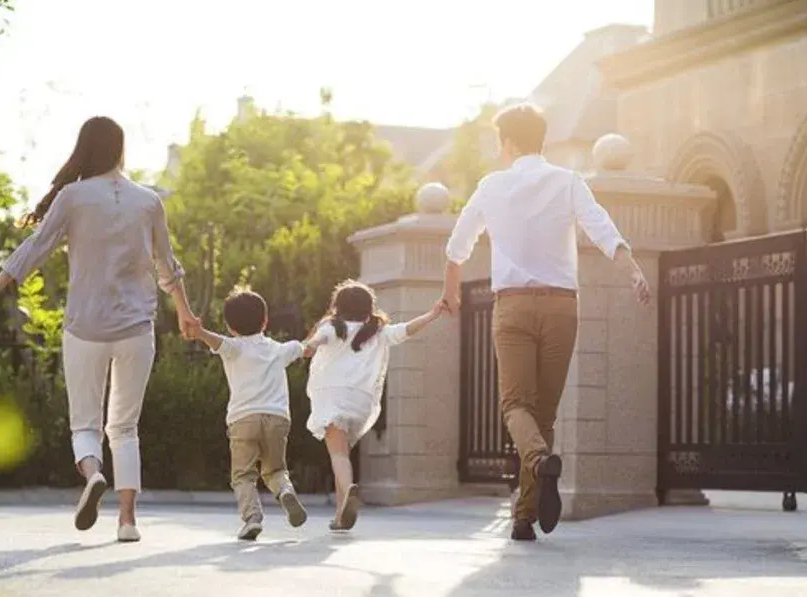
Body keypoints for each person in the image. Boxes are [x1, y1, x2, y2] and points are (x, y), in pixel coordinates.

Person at [0, 116, 200, 543]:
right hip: (135, 328)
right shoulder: (148, 201)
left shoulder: (72, 197)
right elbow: (168, 265)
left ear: (84, 147)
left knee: (85, 424)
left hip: (85, 326)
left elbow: (31, 252)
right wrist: (184, 312)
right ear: (120, 148)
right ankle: (127, 522)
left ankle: (92, 474)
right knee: (125, 427)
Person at [439, 103, 650, 542]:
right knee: (544, 414)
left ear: (509, 143)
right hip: (561, 307)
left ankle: (536, 462)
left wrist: (450, 290)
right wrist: (633, 270)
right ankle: (523, 517)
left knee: (515, 405)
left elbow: (458, 244)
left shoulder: (491, 186)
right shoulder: (567, 181)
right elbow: (601, 227)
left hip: (512, 307)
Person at [304, 280, 444, 531]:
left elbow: (309, 348)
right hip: (361, 401)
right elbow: (407, 329)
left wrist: (298, 349)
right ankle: (339, 516)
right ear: (369, 307)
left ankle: (348, 494)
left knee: (337, 455)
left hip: (332, 396)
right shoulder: (378, 331)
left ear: (338, 306)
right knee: (343, 456)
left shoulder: (331, 327)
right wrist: (433, 314)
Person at [189, 289, 310, 541]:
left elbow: (214, 341)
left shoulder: (233, 347)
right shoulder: (278, 349)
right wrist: (325, 338)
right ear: (265, 322)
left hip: (243, 420)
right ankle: (285, 491)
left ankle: (252, 518)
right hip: (277, 419)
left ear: (230, 327)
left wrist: (199, 331)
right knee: (275, 469)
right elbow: (304, 349)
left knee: (243, 475)